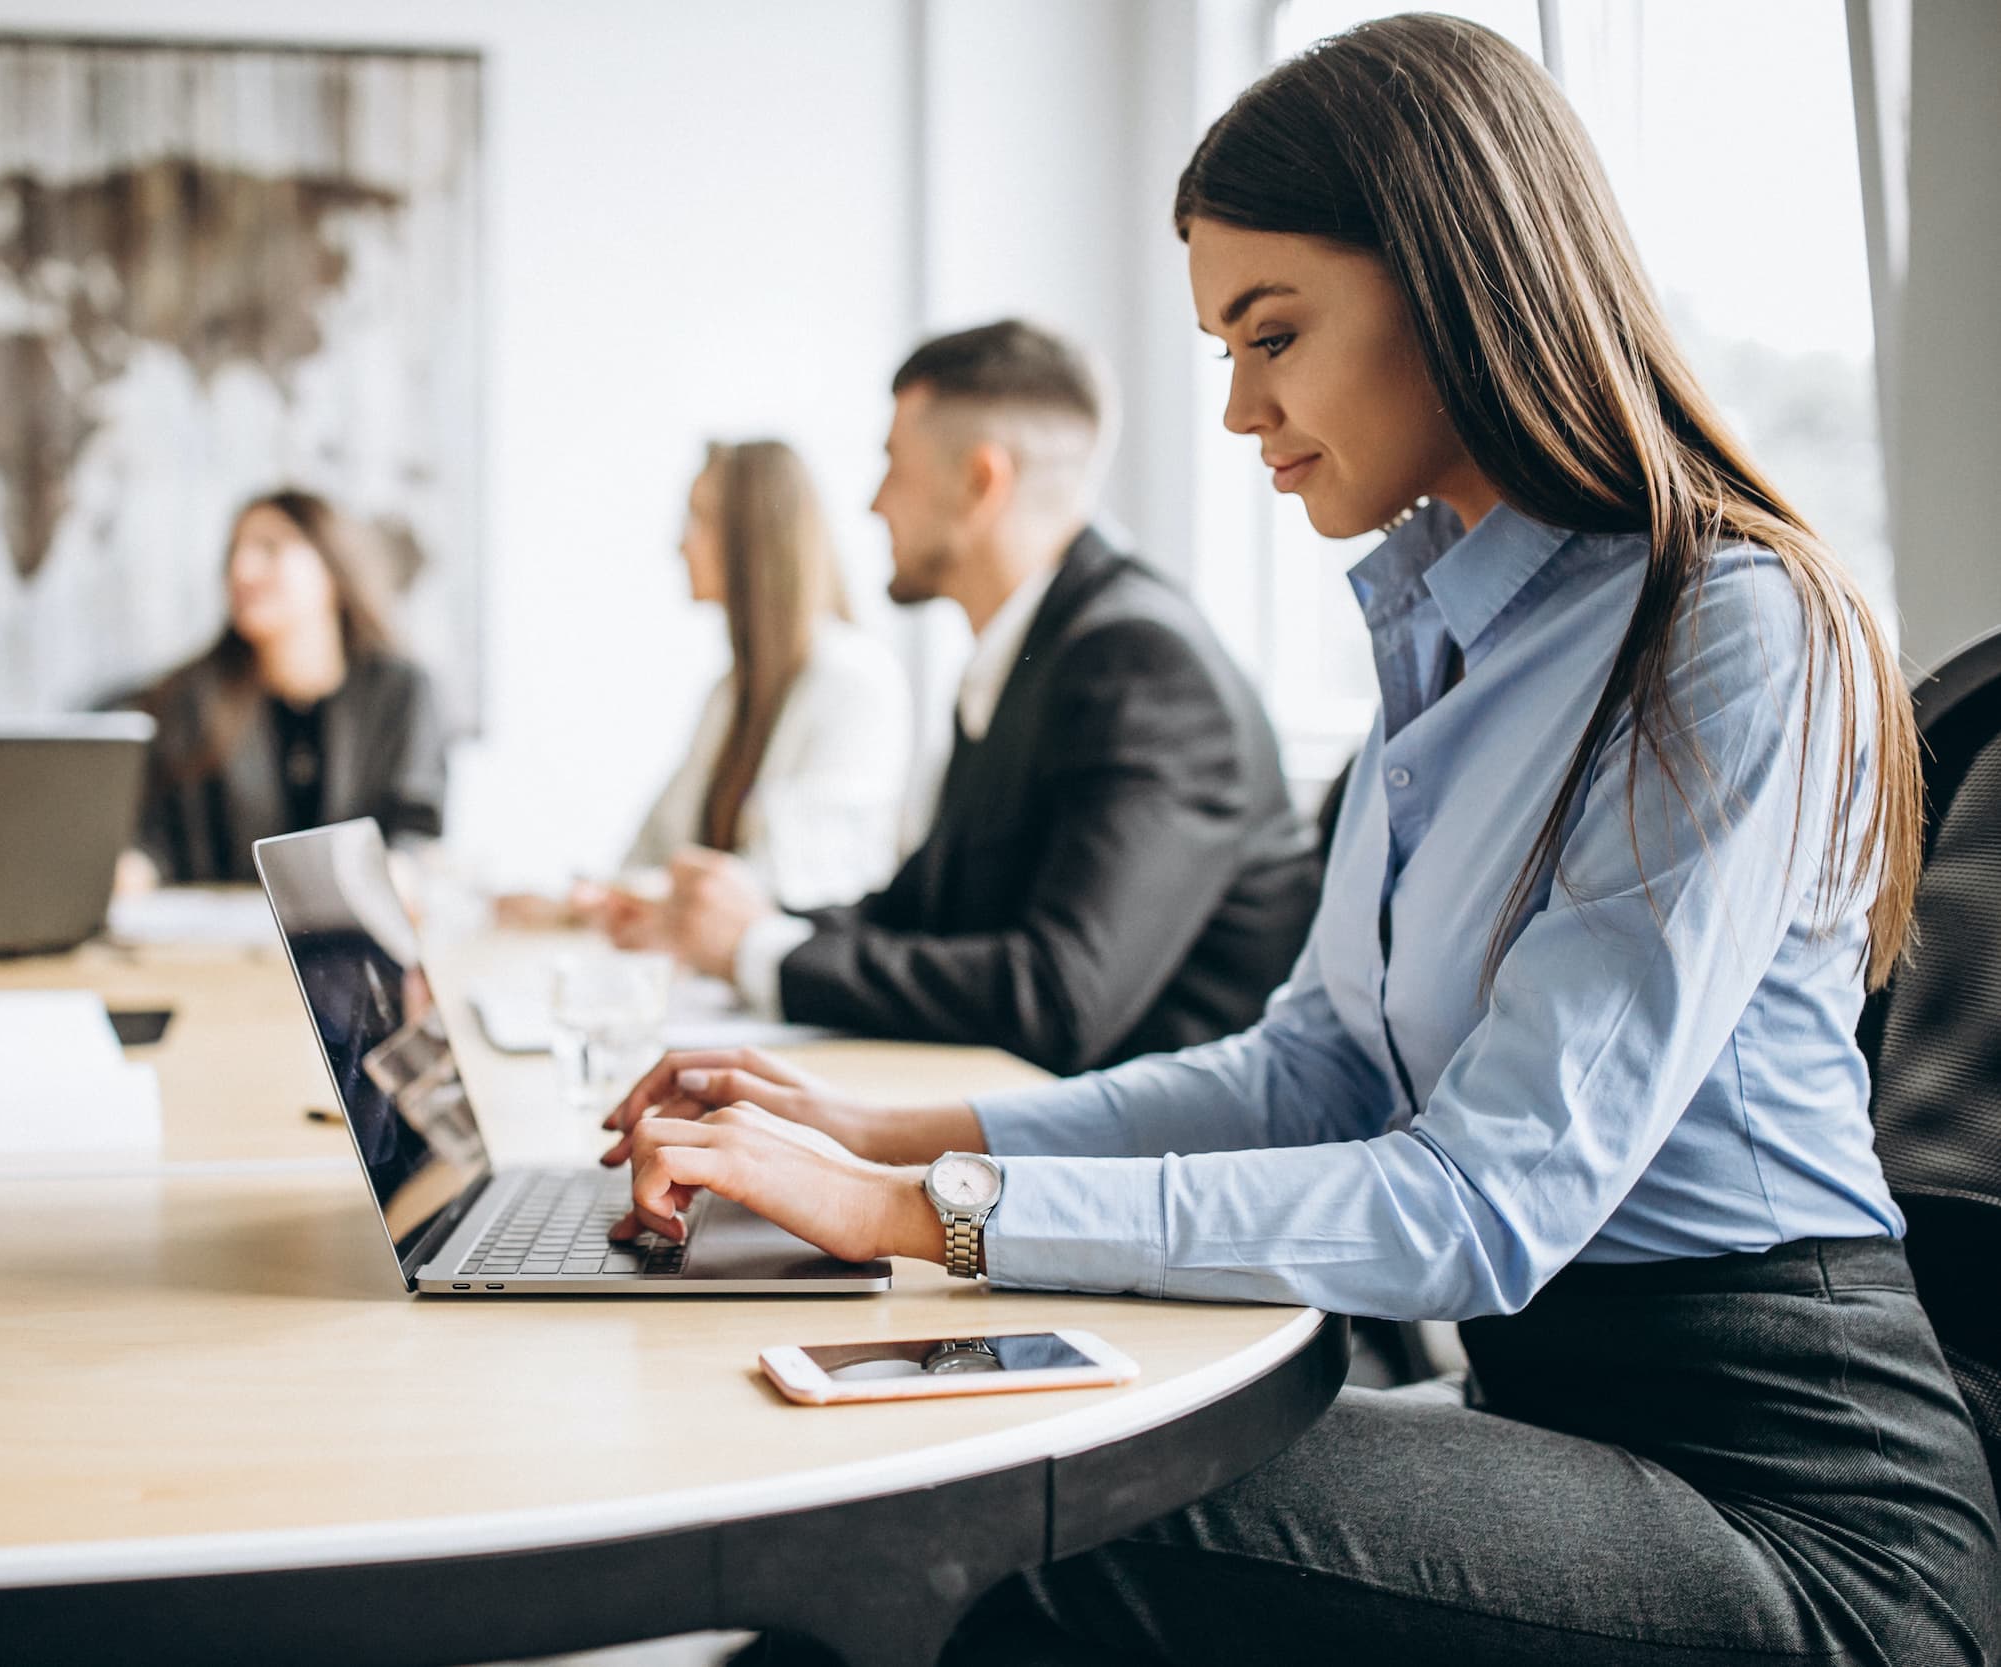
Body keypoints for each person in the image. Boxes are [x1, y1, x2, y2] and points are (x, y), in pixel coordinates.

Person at [601, 18, 2001, 1665]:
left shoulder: (1725, 628)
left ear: (1462, 283)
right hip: (1567, 1421)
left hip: (1793, 1506)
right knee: (952, 1480)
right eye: (1224, 348)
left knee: (985, 1522)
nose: (1241, 408)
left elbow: (1479, 1205)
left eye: (1274, 333)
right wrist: (875, 1130)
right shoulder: (1449, 638)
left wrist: (920, 1209)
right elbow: (1309, 1071)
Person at [621, 321, 1317, 1076]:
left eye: (893, 465)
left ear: (981, 482)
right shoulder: (1027, 653)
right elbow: (921, 911)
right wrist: (747, 924)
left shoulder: (1144, 666)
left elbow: (1061, 996)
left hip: (1165, 1159)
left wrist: (758, 951)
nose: (872, 503)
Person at [505, 439, 909, 923]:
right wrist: (577, 902)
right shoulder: (730, 694)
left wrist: (615, 899)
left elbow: (790, 880)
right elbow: (654, 849)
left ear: (753, 538)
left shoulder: (855, 681)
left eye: (700, 519)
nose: (680, 544)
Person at [123, 489, 444, 886]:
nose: (241, 569)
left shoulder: (400, 692)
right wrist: (134, 868)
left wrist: (401, 870)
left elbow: (416, 826)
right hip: (211, 939)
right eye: (234, 553)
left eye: (270, 548)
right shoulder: (188, 697)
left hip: (349, 933)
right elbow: (160, 837)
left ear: (332, 568)